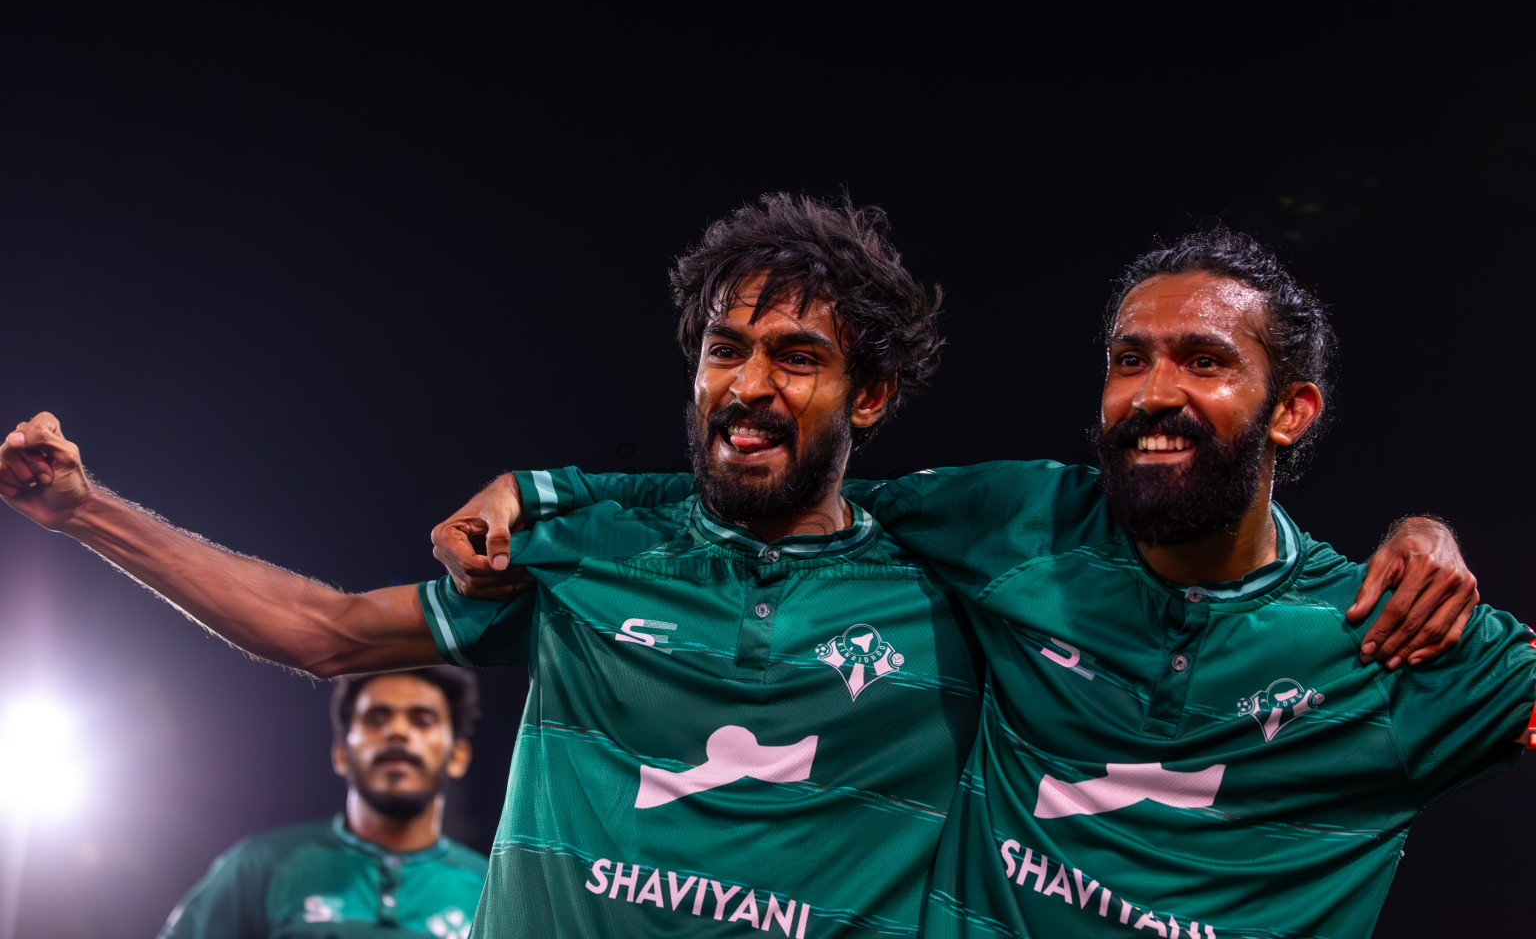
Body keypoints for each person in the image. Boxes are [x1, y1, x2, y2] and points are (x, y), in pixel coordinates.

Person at [0, 200, 1473, 938]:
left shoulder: (956, 576)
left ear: (870, 400)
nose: (749, 382)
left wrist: (1416, 538)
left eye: (797, 355)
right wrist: (86, 515)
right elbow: (326, 630)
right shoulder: (579, 547)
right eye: (725, 348)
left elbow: (1173, 555)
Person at [472, 224, 1523, 938]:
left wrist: (1430, 531)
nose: (1153, 393)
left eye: (1202, 361)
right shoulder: (1016, 521)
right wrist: (555, 489)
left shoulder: (1384, 632)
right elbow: (781, 478)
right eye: (1127, 359)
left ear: (1291, 410)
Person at [157, 668, 487, 938]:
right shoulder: (259, 865)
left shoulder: (495, 890)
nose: (398, 731)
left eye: (423, 720)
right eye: (376, 718)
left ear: (458, 756)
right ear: (341, 753)